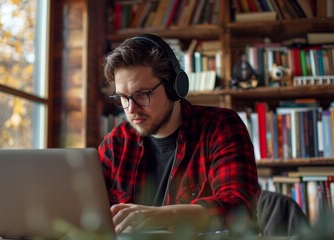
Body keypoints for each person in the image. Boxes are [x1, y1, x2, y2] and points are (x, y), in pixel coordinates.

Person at [98, 33, 260, 235]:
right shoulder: (117, 142)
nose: (131, 109)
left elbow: (239, 207)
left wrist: (161, 215)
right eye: (123, 98)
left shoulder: (220, 126)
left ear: (174, 87)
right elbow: (85, 208)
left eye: (142, 94)